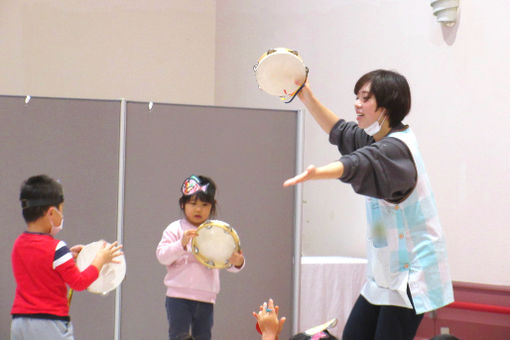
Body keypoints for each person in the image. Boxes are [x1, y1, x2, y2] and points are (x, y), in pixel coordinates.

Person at [284, 70, 454, 340]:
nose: (357, 104)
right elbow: (341, 132)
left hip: (410, 276)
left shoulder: (396, 149)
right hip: (383, 276)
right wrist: (307, 97)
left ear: (385, 108)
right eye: (357, 97)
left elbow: (359, 162)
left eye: (365, 98)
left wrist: (319, 173)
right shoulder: (376, 138)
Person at [10, 174, 123, 340]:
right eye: (61, 210)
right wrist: (100, 259)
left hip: (20, 322)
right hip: (50, 324)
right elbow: (79, 283)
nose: (62, 216)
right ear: (51, 212)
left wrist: (68, 258)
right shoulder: (57, 248)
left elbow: (40, 268)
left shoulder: (18, 244)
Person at [156, 175, 245, 340]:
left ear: (212, 207)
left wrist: (237, 263)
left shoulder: (216, 231)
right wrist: (180, 244)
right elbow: (162, 256)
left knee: (203, 336)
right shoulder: (175, 228)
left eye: (205, 205)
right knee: (178, 336)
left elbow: (226, 260)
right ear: (182, 204)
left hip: (206, 297)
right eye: (193, 204)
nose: (198, 209)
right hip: (178, 296)